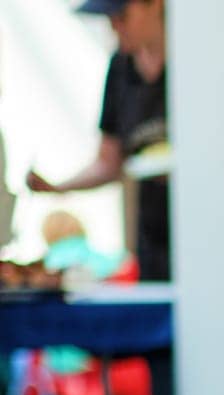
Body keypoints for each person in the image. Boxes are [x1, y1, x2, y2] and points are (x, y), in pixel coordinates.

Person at [27, 0, 169, 282]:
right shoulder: (121, 69)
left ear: (155, 5)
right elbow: (108, 161)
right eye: (110, 18)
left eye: (122, 16)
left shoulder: (195, 63)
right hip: (153, 239)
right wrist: (59, 187)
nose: (115, 26)